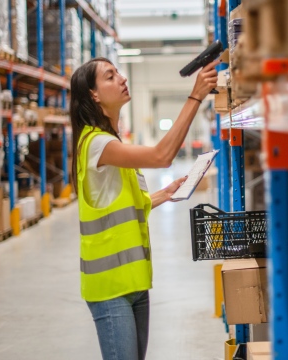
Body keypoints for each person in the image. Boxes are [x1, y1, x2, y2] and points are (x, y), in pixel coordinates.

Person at [69, 57, 218, 360]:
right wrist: (196, 96)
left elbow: (122, 204)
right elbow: (162, 155)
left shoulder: (110, 140)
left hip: (135, 281)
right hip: (110, 289)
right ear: (93, 95)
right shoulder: (96, 144)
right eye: (110, 77)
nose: (122, 79)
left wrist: (164, 193)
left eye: (119, 73)